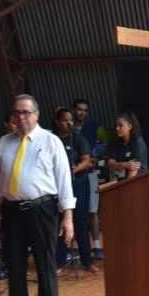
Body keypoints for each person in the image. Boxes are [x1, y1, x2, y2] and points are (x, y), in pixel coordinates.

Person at [0, 95, 75, 296]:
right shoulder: (3, 143)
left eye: (26, 112)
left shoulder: (51, 141)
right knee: (15, 266)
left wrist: (67, 217)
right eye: (17, 113)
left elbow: (64, 180)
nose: (21, 117)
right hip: (12, 212)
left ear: (37, 114)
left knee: (46, 264)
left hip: (43, 209)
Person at [51, 107, 97, 274]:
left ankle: (87, 260)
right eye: (64, 120)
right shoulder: (53, 140)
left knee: (80, 221)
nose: (68, 123)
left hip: (79, 183)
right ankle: (60, 261)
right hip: (58, 186)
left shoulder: (78, 138)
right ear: (57, 122)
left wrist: (76, 168)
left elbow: (87, 159)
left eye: (70, 120)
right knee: (60, 223)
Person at [72, 98, 106, 260]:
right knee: (75, 212)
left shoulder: (94, 127)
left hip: (90, 174)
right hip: (72, 177)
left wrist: (99, 157)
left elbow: (111, 141)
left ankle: (97, 246)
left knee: (92, 211)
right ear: (73, 110)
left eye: (85, 110)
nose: (82, 113)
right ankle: (77, 248)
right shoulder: (67, 128)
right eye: (79, 109)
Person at [106, 112, 148, 181]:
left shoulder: (138, 142)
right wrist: (125, 165)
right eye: (116, 125)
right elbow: (110, 164)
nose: (117, 128)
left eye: (121, 125)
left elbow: (133, 170)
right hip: (122, 181)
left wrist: (126, 189)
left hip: (137, 183)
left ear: (129, 127)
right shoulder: (118, 143)